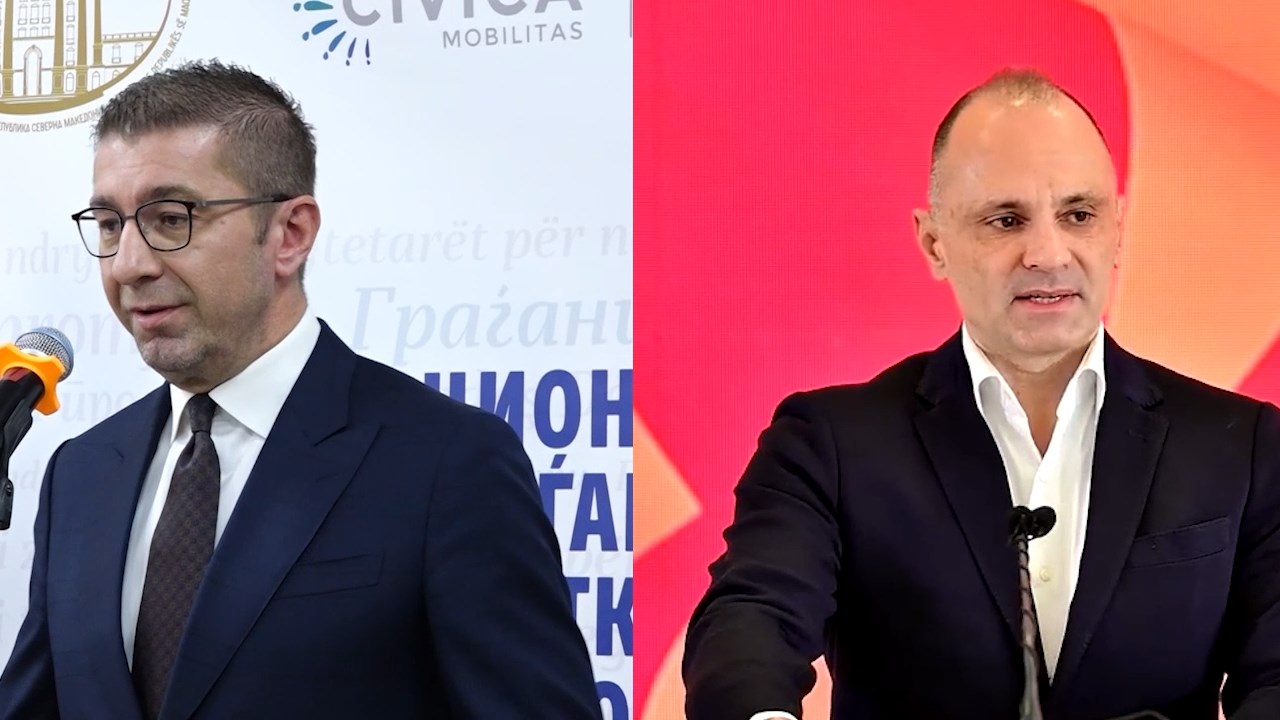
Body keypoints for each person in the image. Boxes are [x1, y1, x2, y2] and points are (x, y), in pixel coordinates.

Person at [0, 60, 602, 720]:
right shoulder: (81, 473)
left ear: (290, 235)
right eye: (110, 224)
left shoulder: (447, 462)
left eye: (171, 218)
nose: (129, 265)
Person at [681, 68, 1280, 720]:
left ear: (1118, 230)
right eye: (1006, 220)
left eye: (1079, 215)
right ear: (934, 243)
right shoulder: (829, 445)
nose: (1048, 253)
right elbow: (750, 621)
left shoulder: (1243, 448)